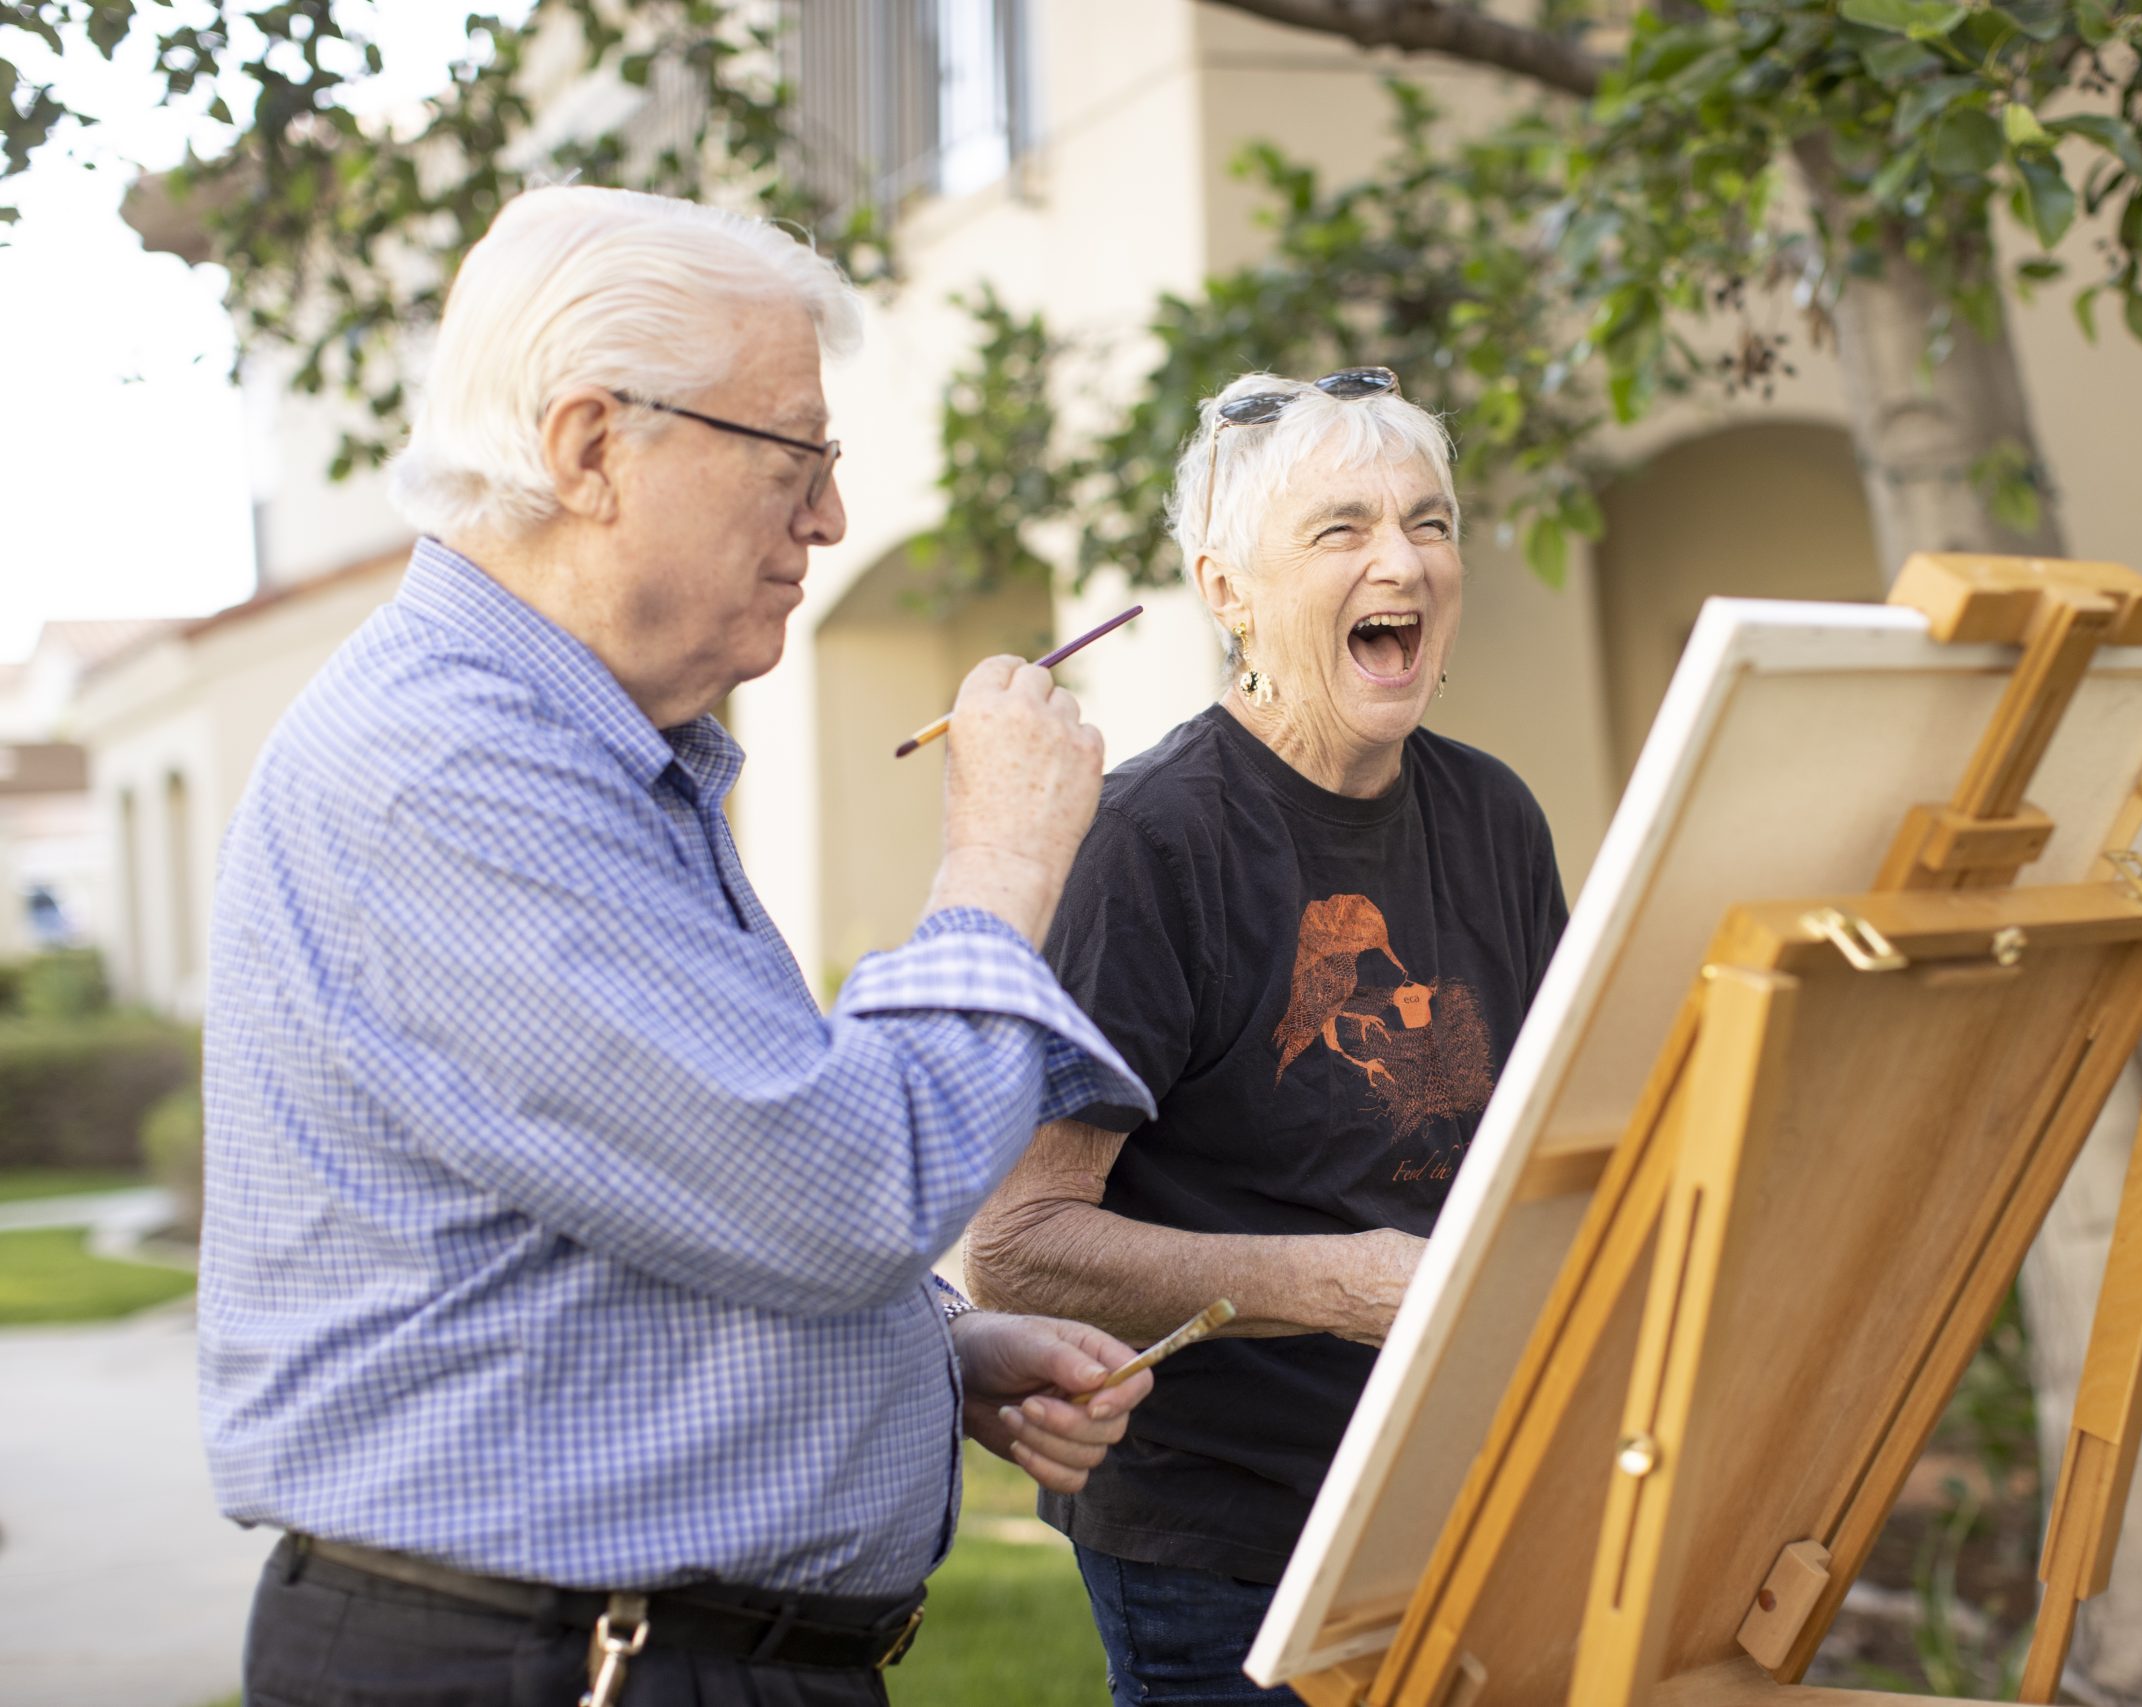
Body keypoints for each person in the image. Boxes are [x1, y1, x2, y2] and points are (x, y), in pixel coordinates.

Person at [200, 185, 1157, 1707]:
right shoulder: (458, 776)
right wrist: (1000, 859)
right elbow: (848, 1186)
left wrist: (926, 1357)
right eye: (795, 454)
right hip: (555, 1664)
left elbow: (682, 1187)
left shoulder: (585, 757)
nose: (831, 518)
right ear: (590, 448)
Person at [964, 368, 1570, 1703]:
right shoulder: (1149, 843)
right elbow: (1014, 1248)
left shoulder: (1494, 817)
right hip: (1230, 1549)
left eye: (1430, 520)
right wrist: (1338, 1285)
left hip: (1464, 1500)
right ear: (1224, 589)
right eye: (1340, 530)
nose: (1401, 560)